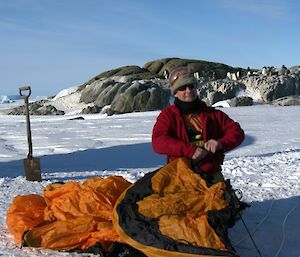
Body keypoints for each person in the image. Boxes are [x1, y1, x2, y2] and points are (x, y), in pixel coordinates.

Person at [152, 66, 245, 184]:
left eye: (191, 86)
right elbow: (158, 141)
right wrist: (188, 150)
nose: (188, 90)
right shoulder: (168, 115)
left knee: (218, 201)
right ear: (175, 93)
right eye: (182, 88)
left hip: (210, 173)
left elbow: (237, 131)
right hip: (180, 175)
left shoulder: (212, 114)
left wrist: (221, 143)